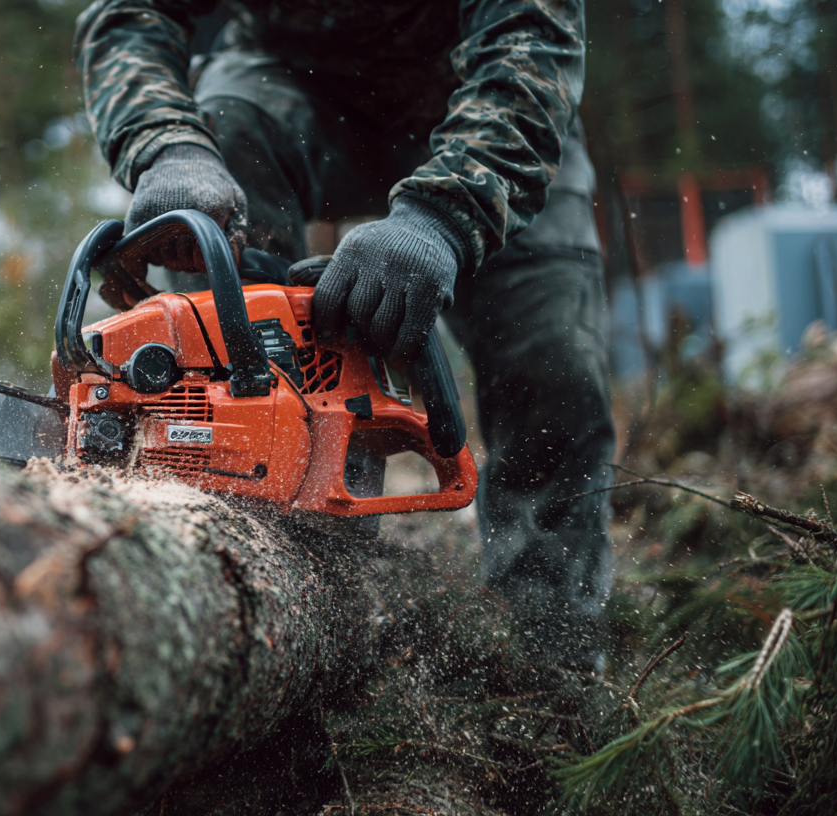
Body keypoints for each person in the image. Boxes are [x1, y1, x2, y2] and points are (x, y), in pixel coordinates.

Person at [74, 0, 615, 672]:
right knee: (228, 140)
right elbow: (132, 13)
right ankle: (285, 552)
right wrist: (167, 145)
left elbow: (531, 44)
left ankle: (551, 657)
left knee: (552, 358)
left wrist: (442, 218)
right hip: (289, 82)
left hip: (484, 95)